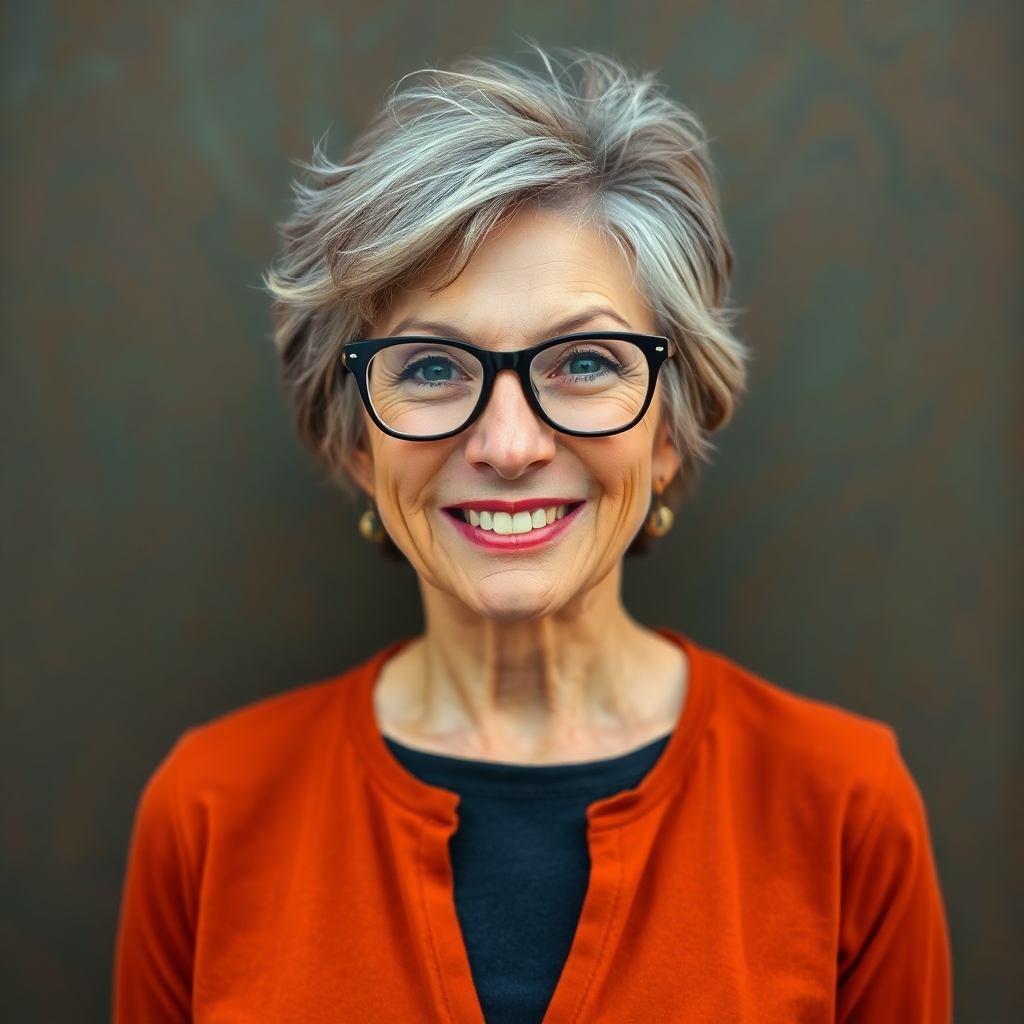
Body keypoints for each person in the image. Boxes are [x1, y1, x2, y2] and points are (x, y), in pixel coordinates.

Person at [114, 51, 951, 1023]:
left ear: (670, 427)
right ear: (356, 442)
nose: (508, 445)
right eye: (430, 368)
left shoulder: (844, 807)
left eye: (584, 360)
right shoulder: (210, 813)